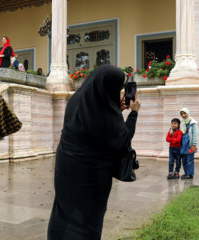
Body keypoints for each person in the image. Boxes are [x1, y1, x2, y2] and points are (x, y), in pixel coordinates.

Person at [47, 64, 141, 240]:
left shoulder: (78, 99)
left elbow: (93, 124)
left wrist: (115, 109)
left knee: (63, 211)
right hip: (92, 176)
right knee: (88, 218)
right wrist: (133, 113)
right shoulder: (106, 115)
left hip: (66, 167)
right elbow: (122, 139)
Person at [179, 107, 198, 180]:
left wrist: (194, 144)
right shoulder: (182, 123)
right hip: (183, 144)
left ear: (188, 113)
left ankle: (190, 174)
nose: (183, 115)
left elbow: (195, 134)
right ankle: (186, 173)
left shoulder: (193, 122)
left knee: (189, 159)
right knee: (184, 160)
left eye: (184, 113)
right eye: (182, 114)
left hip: (190, 144)